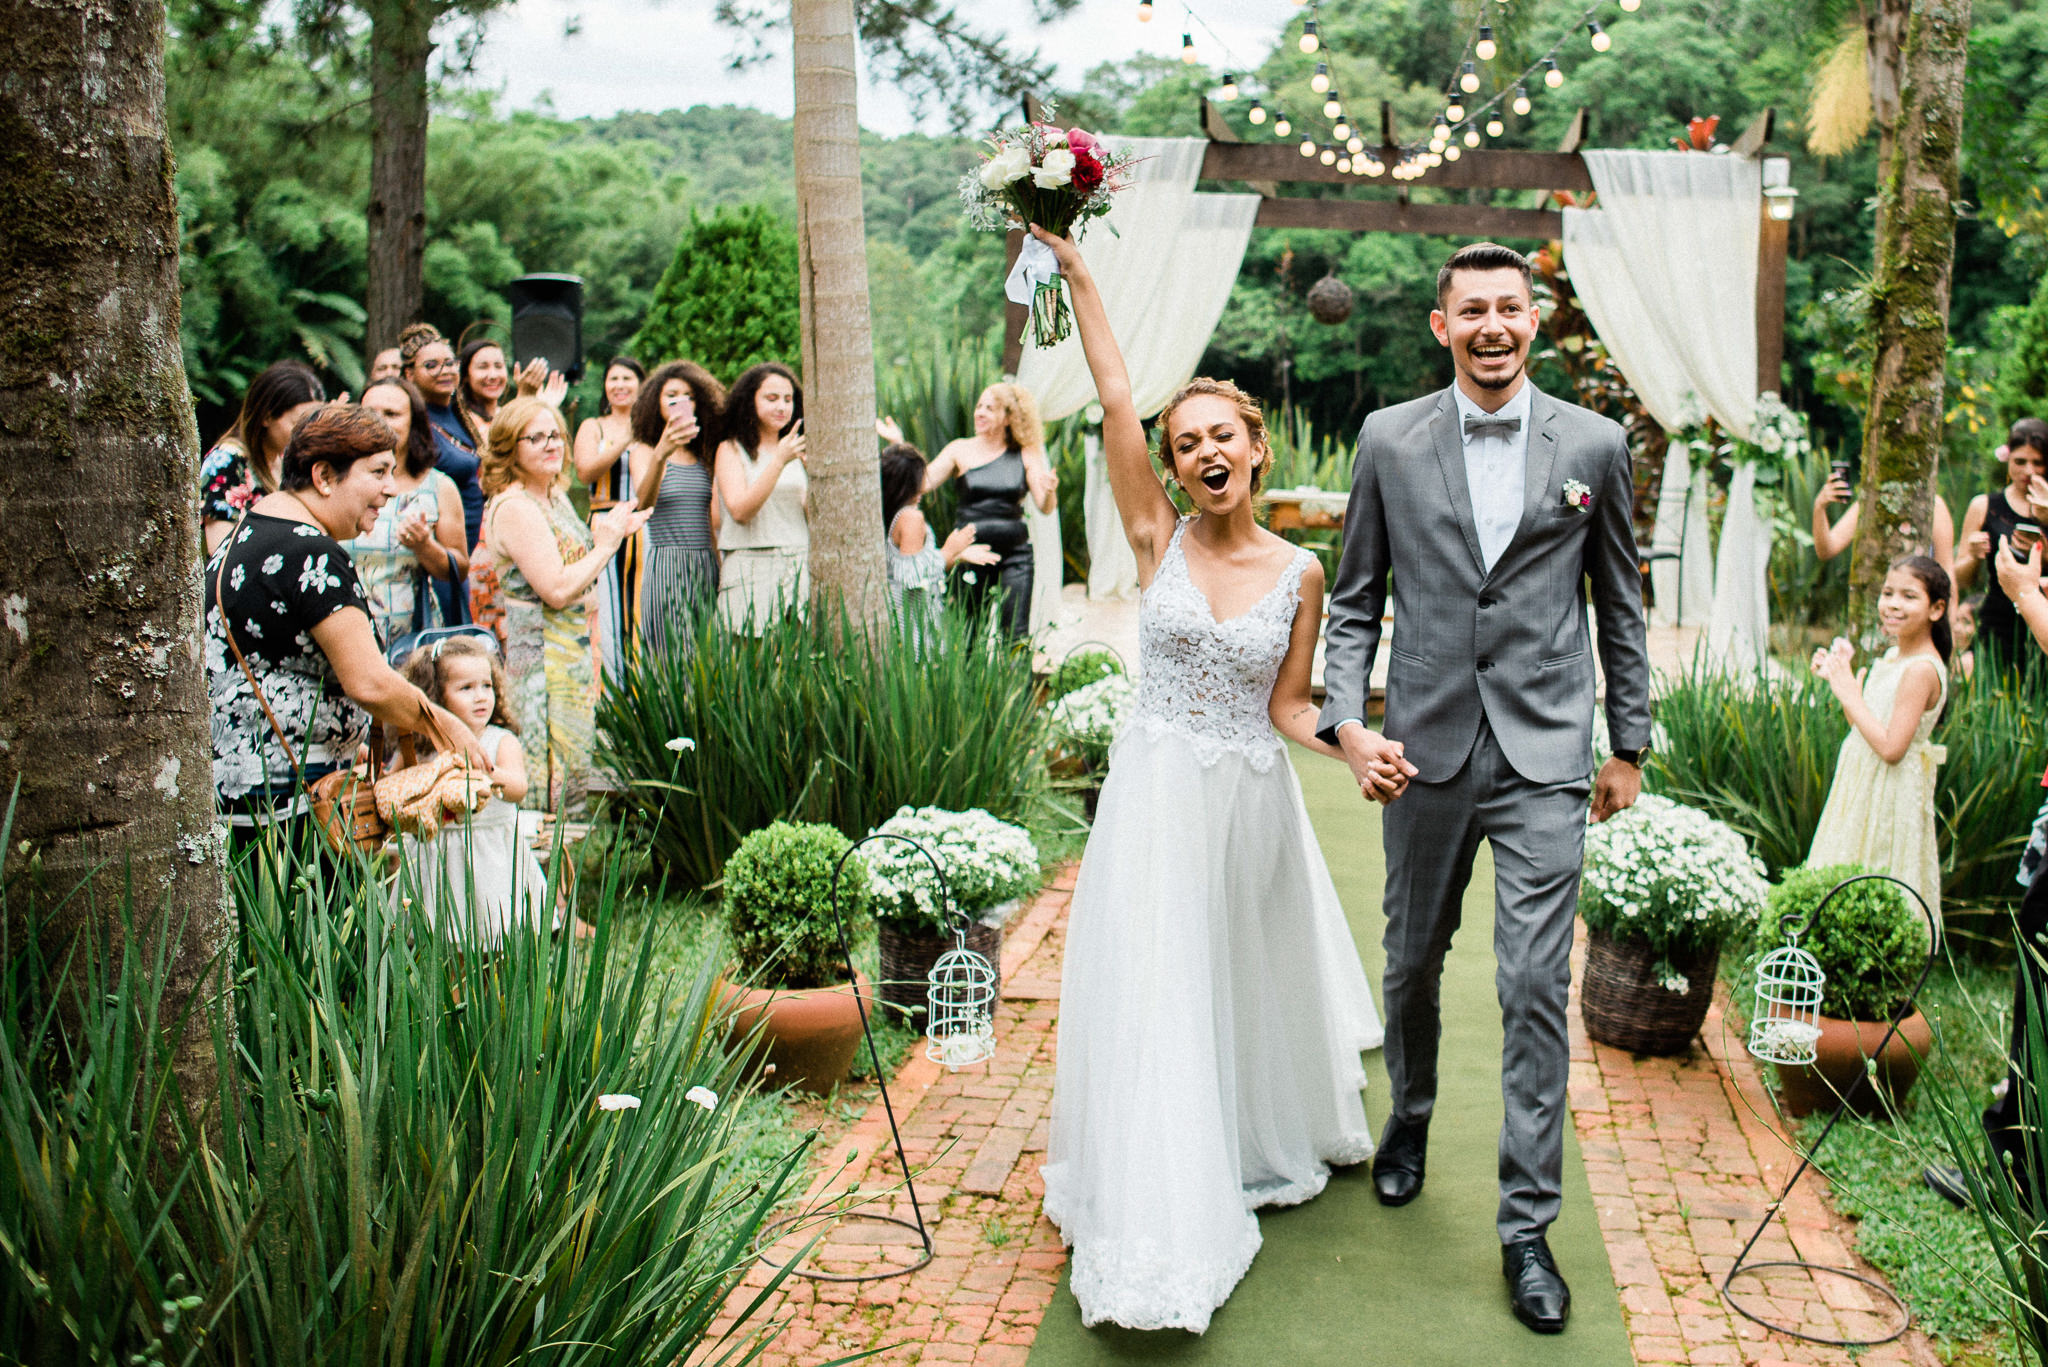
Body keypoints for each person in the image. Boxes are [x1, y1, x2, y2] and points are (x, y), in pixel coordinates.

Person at [1031, 225, 1382, 1334]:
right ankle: (1156, 1185)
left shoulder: (1302, 570)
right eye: (1186, 444)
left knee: (1232, 972)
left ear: (1256, 448)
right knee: (1160, 979)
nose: (1203, 452)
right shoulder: (1155, 536)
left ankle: (1238, 1138)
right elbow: (1115, 394)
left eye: (1221, 434)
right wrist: (1078, 271)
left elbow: (1290, 705)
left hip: (1249, 799)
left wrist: (1353, 742)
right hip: (1156, 796)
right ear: (1175, 466)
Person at [1318, 242, 1652, 1335]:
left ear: (1533, 319)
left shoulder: (1593, 444)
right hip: (1422, 748)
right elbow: (1355, 598)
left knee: (1531, 982)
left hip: (1546, 754)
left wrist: (1628, 743)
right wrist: (1350, 722)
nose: (1492, 326)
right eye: (1472, 310)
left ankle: (1526, 1228)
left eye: (1509, 307)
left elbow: (1619, 603)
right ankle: (1409, 1113)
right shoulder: (1388, 438)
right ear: (1441, 325)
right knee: (1411, 959)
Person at [205, 405, 489, 854]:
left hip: (239, 793)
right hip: (291, 809)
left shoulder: (251, 531)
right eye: (377, 472)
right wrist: (447, 727)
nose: (390, 488)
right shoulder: (310, 552)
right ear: (323, 476)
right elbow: (369, 682)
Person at [473, 397, 651, 816]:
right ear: (509, 448)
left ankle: (564, 856)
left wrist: (614, 530)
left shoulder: (553, 495)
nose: (551, 444)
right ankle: (543, 859)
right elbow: (555, 588)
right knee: (546, 786)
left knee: (570, 777)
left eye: (555, 434)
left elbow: (576, 567)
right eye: (535, 438)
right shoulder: (516, 506)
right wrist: (606, 545)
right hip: (543, 665)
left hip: (572, 655)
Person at [1807, 557, 1951, 935]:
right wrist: (1840, 677)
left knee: (1877, 864)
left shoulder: (1921, 669)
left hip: (1890, 791)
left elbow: (1891, 749)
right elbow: (1864, 726)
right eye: (1888, 593)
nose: (1892, 604)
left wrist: (1849, 692)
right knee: (1847, 857)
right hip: (1861, 783)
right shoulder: (1891, 657)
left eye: (1908, 596)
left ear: (1936, 609)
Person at [396, 635, 552, 946]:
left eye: (487, 686)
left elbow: (518, 788)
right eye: (466, 688)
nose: (480, 697)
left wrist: (487, 773)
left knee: (496, 936)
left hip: (491, 856)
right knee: (443, 940)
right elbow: (396, 781)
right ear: (436, 696)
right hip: (438, 856)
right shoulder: (422, 744)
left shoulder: (499, 741)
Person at [921, 383, 1058, 641]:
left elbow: (1045, 506)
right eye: (979, 406)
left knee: (1015, 636)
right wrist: (898, 444)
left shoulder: (1026, 452)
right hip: (969, 553)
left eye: (990, 408)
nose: (980, 413)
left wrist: (1050, 490)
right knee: (967, 635)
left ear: (1008, 418)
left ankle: (1017, 670)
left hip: (1015, 556)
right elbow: (923, 483)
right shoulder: (959, 449)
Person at [345, 378, 468, 648]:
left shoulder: (439, 487)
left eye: (391, 414)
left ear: (414, 422)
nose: (379, 422)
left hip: (409, 640)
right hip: (346, 634)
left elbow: (458, 569)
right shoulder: (338, 483)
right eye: (369, 413)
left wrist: (425, 547)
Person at [631, 360, 725, 657]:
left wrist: (720, 567)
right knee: (670, 657)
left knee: (706, 657)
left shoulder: (705, 454)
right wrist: (662, 454)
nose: (680, 401)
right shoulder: (645, 451)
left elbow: (711, 520)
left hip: (706, 562)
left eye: (689, 396)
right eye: (671, 395)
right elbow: (643, 504)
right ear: (655, 402)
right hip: (667, 563)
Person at [713, 363, 809, 632]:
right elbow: (740, 511)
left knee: (798, 654)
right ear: (749, 401)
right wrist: (778, 460)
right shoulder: (731, 449)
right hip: (750, 566)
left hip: (799, 564)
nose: (782, 407)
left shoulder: (798, 450)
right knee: (748, 654)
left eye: (788, 399)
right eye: (772, 398)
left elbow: (810, 517)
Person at [400, 323, 483, 624]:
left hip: (463, 552)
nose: (444, 371)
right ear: (409, 374)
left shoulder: (456, 414)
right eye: (431, 365)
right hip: (434, 551)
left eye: (450, 363)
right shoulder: (415, 421)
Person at [199, 360, 327, 554]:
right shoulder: (227, 462)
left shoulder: (287, 459)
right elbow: (220, 551)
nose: (307, 433)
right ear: (266, 417)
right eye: (298, 424)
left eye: (313, 424)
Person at [879, 439, 996, 650]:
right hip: (913, 628)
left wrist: (958, 556)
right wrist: (949, 550)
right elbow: (913, 578)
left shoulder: (890, 516)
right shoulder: (910, 518)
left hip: (904, 621)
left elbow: (914, 566)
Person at [1953, 422, 2048, 669]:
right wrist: (1973, 555)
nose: (2029, 471)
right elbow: (1962, 579)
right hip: (1998, 622)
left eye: (2037, 463)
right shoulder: (1984, 505)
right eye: (2020, 462)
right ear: (2007, 459)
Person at [576, 357, 647, 672]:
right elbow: (584, 472)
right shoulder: (593, 426)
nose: (620, 385)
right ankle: (609, 683)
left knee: (641, 606)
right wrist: (623, 440)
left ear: (641, 384)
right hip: (604, 521)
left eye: (627, 378)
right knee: (607, 606)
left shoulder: (653, 428)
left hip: (645, 524)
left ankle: (641, 683)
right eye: (613, 378)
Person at [1813, 462, 1956, 581]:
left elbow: (1946, 571)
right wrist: (1820, 506)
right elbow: (1827, 550)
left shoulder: (1933, 505)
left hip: (1917, 595)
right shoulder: (1869, 502)